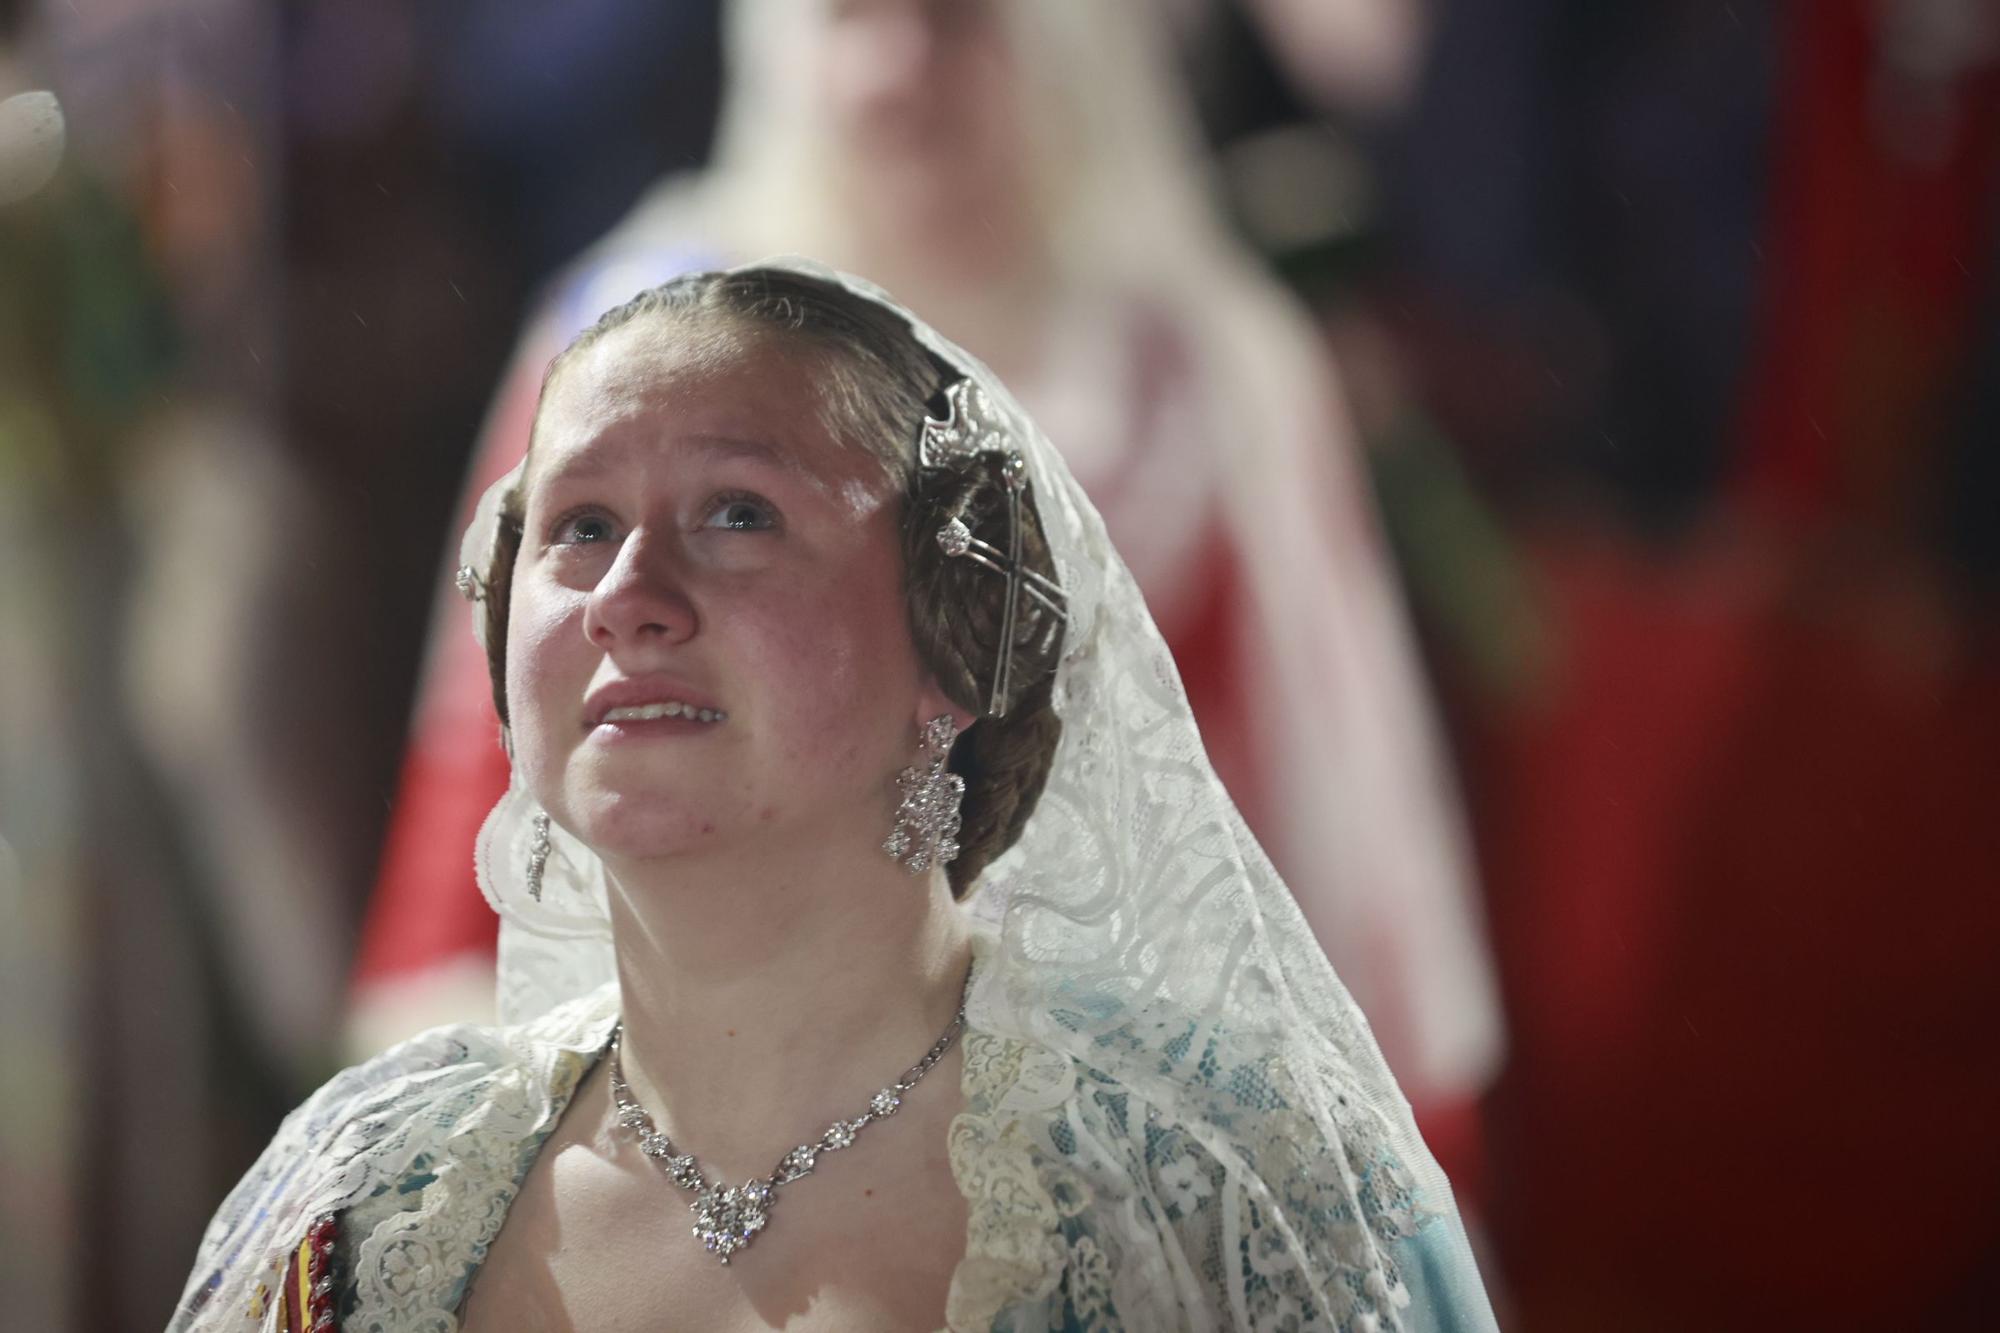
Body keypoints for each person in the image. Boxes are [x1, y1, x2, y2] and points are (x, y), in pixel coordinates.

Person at [173, 263, 1496, 1331]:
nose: (628, 596)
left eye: (738, 513)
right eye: (578, 524)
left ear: (953, 638)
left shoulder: (1225, 1203)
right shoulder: (372, 1198)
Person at [354, 0, 1501, 1142]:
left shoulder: (1203, 373)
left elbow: (1339, 813)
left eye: (957, 20)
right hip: (696, 1110)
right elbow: (498, 755)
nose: (897, 69)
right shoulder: (633, 341)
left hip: (1115, 1116)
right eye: (852, 15)